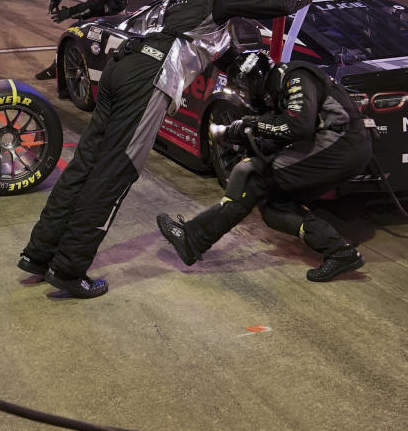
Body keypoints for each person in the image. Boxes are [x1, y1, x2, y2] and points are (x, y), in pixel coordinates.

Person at [18, 0, 323, 298]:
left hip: (121, 64)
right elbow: (281, 5)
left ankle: (38, 254)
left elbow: (210, 50)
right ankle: (69, 267)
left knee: (85, 165)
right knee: (117, 171)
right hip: (149, 74)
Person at [157, 50, 374, 282]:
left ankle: (192, 238)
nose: (244, 95)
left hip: (342, 144)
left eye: (243, 88)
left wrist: (251, 124)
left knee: (255, 178)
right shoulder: (277, 90)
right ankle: (340, 252)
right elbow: (278, 132)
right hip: (337, 146)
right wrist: (240, 133)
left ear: (254, 80)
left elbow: (299, 126)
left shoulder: (295, 76)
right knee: (274, 207)